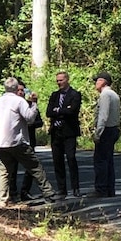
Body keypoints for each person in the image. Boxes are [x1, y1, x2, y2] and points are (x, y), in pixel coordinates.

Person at [0, 77, 56, 206]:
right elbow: (30, 118)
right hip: (17, 141)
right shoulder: (19, 101)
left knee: (3, 171)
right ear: (16, 88)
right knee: (35, 167)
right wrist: (34, 103)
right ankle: (49, 193)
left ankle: (2, 199)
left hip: (0, 142)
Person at [45, 70, 82, 198]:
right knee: (57, 160)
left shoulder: (75, 94)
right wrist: (62, 111)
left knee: (71, 159)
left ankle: (75, 188)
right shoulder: (54, 95)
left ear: (67, 80)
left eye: (61, 80)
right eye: (57, 80)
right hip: (56, 132)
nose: (59, 83)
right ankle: (62, 189)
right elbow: (49, 112)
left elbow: (72, 111)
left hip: (69, 132)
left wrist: (59, 110)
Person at [11, 80, 45, 202]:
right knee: (12, 167)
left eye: (22, 90)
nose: (20, 92)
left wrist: (29, 123)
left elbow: (39, 122)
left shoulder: (30, 104)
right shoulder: (10, 105)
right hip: (14, 140)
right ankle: (13, 192)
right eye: (18, 90)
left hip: (29, 139)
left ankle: (25, 191)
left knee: (31, 168)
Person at [91, 72, 120, 197]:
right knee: (108, 161)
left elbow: (103, 115)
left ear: (103, 81)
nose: (96, 83)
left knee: (101, 161)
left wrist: (98, 133)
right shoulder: (114, 94)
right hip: (113, 129)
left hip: (106, 131)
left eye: (97, 80)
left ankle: (101, 190)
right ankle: (110, 189)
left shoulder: (105, 95)